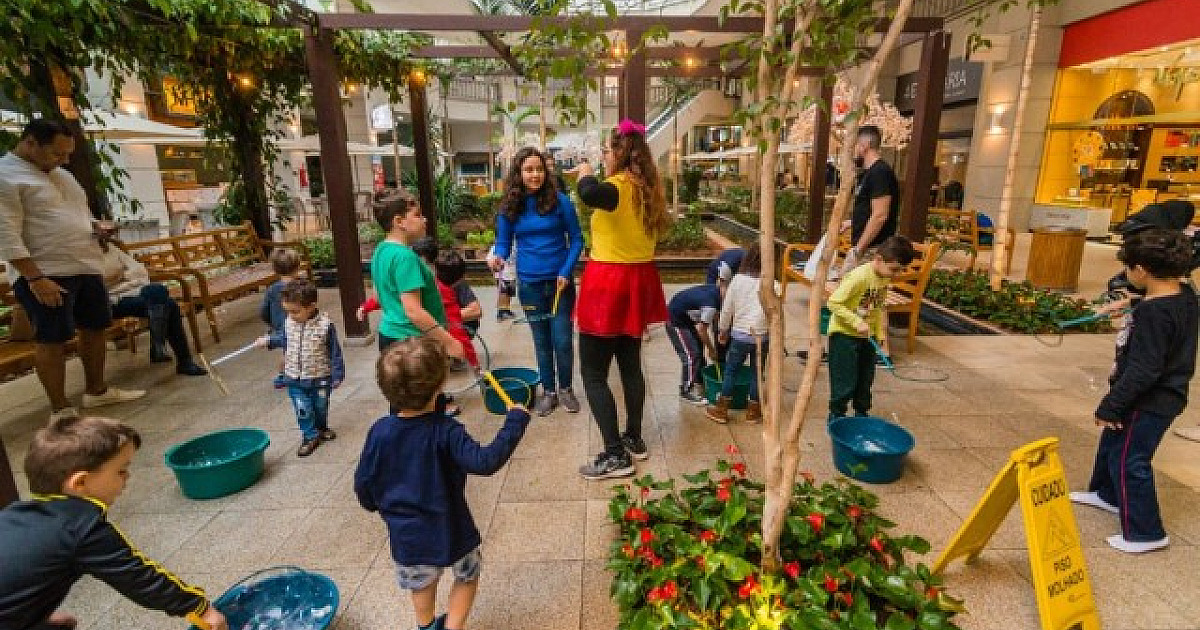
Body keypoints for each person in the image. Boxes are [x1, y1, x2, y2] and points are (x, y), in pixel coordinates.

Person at [355, 337, 529, 630]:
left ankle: (426, 626)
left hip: (407, 536)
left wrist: (374, 504)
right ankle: (453, 626)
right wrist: (515, 422)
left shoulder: (380, 431)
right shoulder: (447, 431)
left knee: (421, 584)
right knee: (467, 575)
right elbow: (485, 461)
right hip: (452, 528)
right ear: (439, 386)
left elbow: (364, 482)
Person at [0, 416, 228, 630]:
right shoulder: (83, 530)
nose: (128, 477)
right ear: (80, 483)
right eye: (121, 471)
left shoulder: (14, 514)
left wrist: (33, 612)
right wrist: (199, 608)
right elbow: (139, 578)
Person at [0, 119, 144, 421]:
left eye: (68, 154)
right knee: (52, 339)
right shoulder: (6, 176)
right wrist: (35, 278)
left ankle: (97, 391)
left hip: (84, 265)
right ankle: (61, 409)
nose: (64, 160)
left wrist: (97, 228)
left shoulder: (62, 175)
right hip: (46, 272)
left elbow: (79, 214)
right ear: (30, 143)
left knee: (95, 327)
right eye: (57, 153)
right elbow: (6, 234)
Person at [1070, 229, 1197, 554]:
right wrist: (1131, 303)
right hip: (1156, 394)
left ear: (1140, 270)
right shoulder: (1183, 294)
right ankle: (1107, 495)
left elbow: (1145, 370)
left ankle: (1147, 532)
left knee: (1130, 460)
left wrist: (1111, 405)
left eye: (1127, 267)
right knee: (1113, 442)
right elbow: (1164, 308)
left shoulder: (1154, 314)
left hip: (1149, 400)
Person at [572, 119, 671, 480]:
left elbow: (588, 193)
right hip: (638, 280)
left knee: (593, 373)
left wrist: (585, 170)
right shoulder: (647, 189)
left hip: (609, 283)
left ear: (619, 152)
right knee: (630, 365)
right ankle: (633, 437)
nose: (603, 157)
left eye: (606, 151)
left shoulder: (615, 188)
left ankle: (615, 454)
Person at [491, 146, 585, 417]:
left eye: (539, 169)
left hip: (560, 285)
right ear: (519, 173)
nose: (535, 175)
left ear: (546, 172)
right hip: (529, 286)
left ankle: (566, 389)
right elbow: (503, 242)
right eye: (529, 169)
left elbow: (577, 239)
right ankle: (549, 392)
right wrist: (498, 257)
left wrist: (566, 271)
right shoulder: (510, 206)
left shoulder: (560, 202)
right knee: (541, 342)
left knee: (563, 340)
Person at [95, 226, 207, 376]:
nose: (105, 235)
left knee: (157, 291)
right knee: (170, 305)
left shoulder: (112, 249)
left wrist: (122, 278)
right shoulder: (84, 257)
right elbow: (98, 282)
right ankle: (180, 359)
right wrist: (121, 277)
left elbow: (139, 271)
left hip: (133, 291)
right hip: (111, 300)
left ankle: (161, 348)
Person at [826, 236, 915, 421]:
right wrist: (855, 321)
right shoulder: (859, 277)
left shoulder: (884, 277)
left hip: (868, 336)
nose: (896, 275)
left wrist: (879, 333)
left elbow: (878, 307)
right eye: (894, 269)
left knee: (866, 378)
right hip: (844, 336)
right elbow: (833, 303)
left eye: (900, 270)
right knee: (844, 379)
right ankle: (836, 415)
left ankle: (861, 413)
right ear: (878, 259)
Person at [368, 189, 463, 361]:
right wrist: (449, 342)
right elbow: (413, 311)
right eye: (417, 215)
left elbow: (378, 296)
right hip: (412, 344)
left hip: (389, 335)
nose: (424, 219)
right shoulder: (405, 257)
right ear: (399, 221)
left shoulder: (380, 251)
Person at [256, 279, 344, 457]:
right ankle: (310, 436)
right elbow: (283, 338)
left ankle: (321, 428)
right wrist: (268, 340)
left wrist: (337, 374)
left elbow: (335, 351)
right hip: (294, 378)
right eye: (287, 311)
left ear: (311, 306)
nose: (291, 315)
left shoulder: (325, 326)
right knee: (303, 409)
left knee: (320, 406)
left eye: (295, 311)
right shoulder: (289, 322)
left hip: (320, 377)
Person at [708, 242, 768, 425]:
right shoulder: (773, 283)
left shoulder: (738, 280)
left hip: (740, 335)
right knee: (757, 373)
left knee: (731, 371)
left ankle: (721, 410)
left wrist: (722, 330)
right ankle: (753, 412)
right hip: (762, 336)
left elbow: (727, 309)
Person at [665, 275, 727, 406]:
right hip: (675, 321)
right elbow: (701, 330)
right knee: (691, 356)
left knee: (698, 349)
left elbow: (714, 317)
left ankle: (699, 381)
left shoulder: (715, 290)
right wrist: (712, 349)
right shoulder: (710, 304)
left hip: (686, 319)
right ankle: (686, 390)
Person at [846, 125, 899, 269]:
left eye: (855, 145)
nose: (853, 150)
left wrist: (858, 250)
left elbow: (880, 215)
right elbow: (869, 209)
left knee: (847, 281)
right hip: (865, 248)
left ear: (865, 146)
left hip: (873, 250)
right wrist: (852, 222)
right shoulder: (868, 173)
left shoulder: (880, 172)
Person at [262, 248, 304, 388]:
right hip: (297, 325)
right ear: (297, 267)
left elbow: (263, 310)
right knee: (291, 351)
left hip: (279, 325)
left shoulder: (271, 289)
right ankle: (285, 375)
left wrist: (270, 322)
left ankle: (284, 375)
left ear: (275, 269)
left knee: (288, 350)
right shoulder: (300, 286)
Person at [486, 245, 517, 321]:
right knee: (503, 293)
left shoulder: (515, 246)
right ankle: (501, 312)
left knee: (509, 293)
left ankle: (506, 309)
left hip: (512, 275)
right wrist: (494, 269)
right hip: (502, 275)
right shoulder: (497, 247)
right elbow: (489, 259)